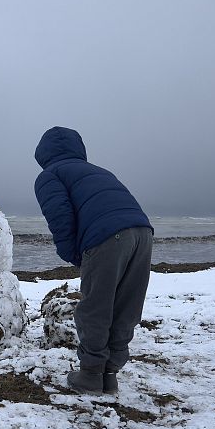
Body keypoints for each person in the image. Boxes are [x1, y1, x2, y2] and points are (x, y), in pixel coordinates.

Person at [33, 126, 153, 395]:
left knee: (96, 306)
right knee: (126, 305)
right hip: (143, 232)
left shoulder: (49, 175)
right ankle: (108, 374)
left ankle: (90, 374)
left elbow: (60, 218)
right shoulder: (100, 171)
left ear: (42, 153)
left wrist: (75, 255)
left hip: (108, 235)